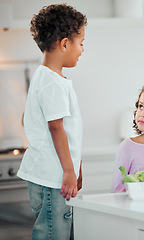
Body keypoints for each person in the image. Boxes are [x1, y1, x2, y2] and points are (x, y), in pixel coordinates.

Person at [17, 4, 87, 239]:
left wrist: (76, 167)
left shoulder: (46, 77)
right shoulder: (51, 82)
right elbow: (56, 127)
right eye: (81, 42)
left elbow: (66, 129)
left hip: (57, 177)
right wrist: (69, 169)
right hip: (52, 180)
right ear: (65, 43)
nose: (82, 49)